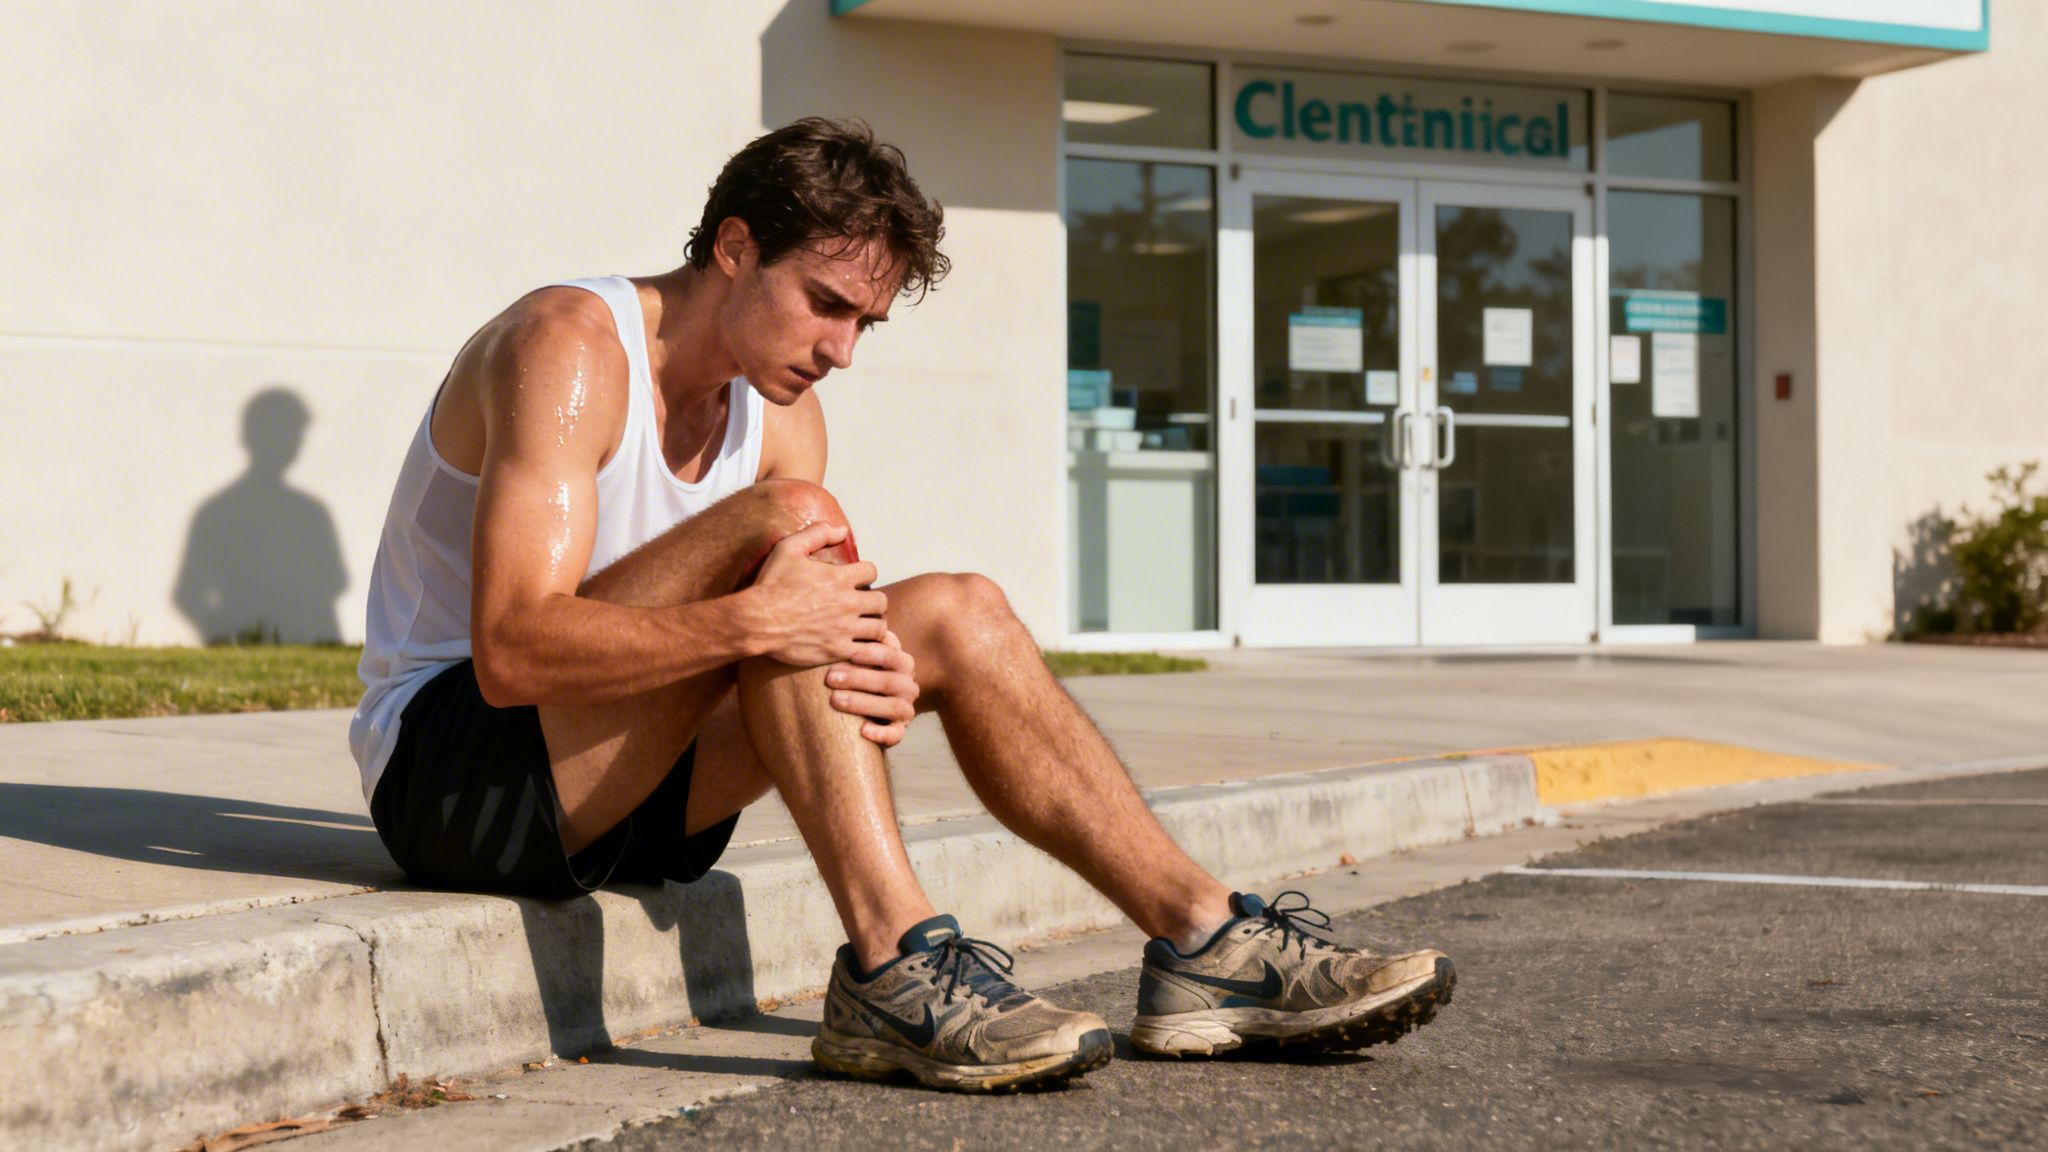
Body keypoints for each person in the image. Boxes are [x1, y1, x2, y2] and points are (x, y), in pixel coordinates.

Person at [351, 118, 1454, 1093]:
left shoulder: (779, 413)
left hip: (638, 781)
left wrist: (871, 664)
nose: (837, 350)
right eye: (823, 305)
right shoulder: (568, 346)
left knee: (956, 612)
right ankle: (893, 962)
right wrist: (757, 625)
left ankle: (1201, 938)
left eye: (863, 324)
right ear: (733, 249)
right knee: (792, 538)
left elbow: (811, 636)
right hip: (460, 778)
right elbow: (510, 652)